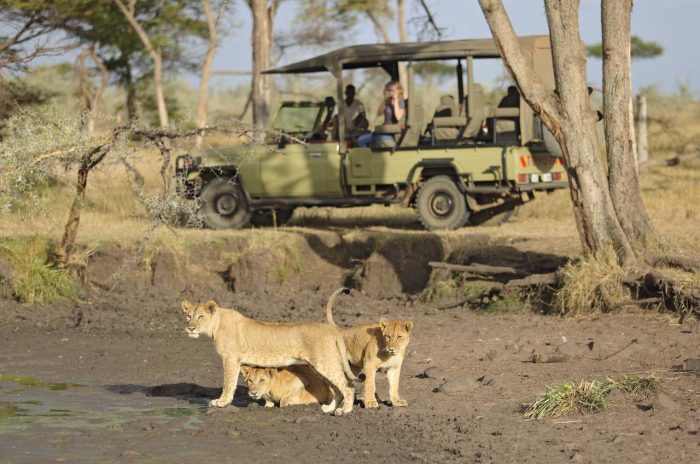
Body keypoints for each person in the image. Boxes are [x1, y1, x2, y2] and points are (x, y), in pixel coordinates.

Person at [357, 80, 406, 148]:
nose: (391, 92)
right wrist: (385, 101)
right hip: (384, 131)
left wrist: (395, 101)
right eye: (389, 90)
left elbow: (398, 117)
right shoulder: (387, 101)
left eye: (393, 90)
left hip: (393, 133)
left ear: (398, 90)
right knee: (361, 140)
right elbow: (379, 113)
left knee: (373, 140)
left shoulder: (401, 101)